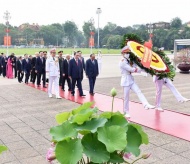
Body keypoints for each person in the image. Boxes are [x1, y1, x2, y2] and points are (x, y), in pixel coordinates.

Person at [120, 46, 155, 118]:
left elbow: (135, 67)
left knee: (138, 91)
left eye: (128, 53)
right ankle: (126, 112)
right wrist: (138, 69)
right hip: (125, 80)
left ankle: (146, 104)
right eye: (126, 53)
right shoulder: (122, 62)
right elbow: (131, 69)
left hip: (130, 79)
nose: (128, 54)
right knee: (126, 97)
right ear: (123, 54)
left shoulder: (129, 61)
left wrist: (143, 69)